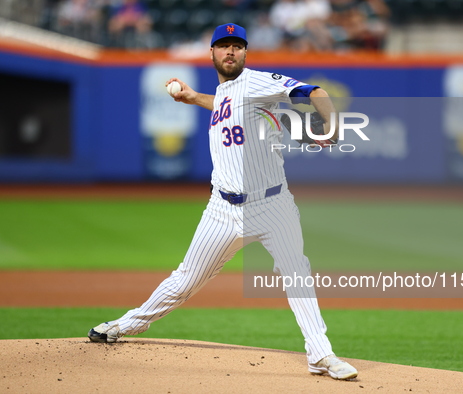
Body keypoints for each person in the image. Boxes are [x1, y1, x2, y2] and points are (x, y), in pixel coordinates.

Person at [87, 23, 358, 381]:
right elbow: (226, 103)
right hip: (222, 209)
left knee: (297, 273)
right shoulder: (227, 91)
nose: (230, 52)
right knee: (185, 281)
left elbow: (315, 91)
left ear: (246, 53)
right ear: (212, 54)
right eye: (223, 46)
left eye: (237, 46)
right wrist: (193, 97)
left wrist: (332, 126)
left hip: (272, 206)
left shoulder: (260, 82)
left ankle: (321, 355)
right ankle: (125, 325)